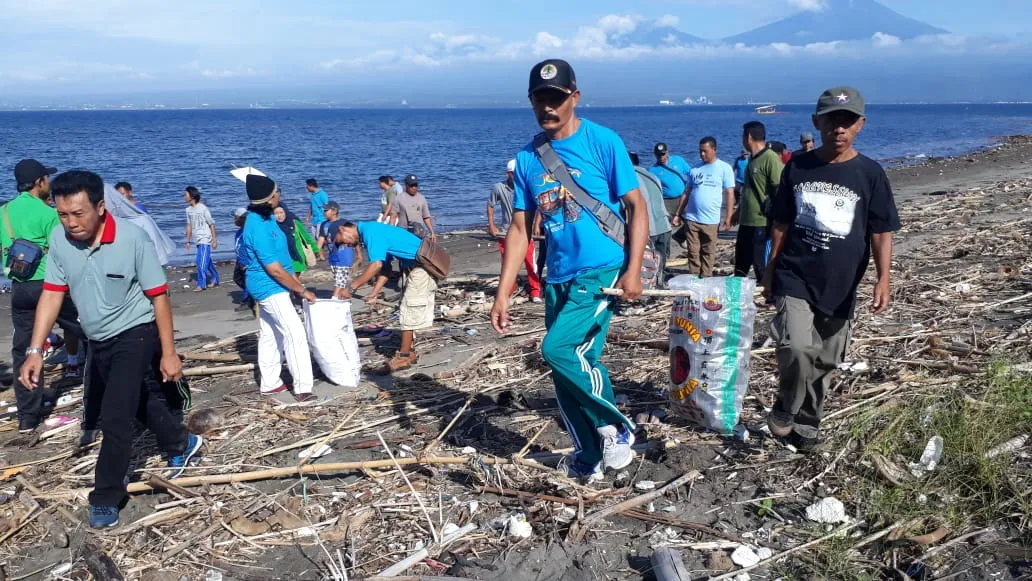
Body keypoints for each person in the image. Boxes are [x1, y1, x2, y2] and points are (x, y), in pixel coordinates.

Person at [491, 59, 646, 481]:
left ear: (574, 97)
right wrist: (503, 292)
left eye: (557, 98)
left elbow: (637, 206)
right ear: (531, 102)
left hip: (600, 269)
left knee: (557, 349)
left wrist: (633, 271)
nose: (549, 107)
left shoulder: (602, 141)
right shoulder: (528, 159)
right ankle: (588, 457)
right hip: (558, 274)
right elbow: (521, 228)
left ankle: (615, 426)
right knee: (570, 367)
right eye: (541, 99)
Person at [19, 170, 202, 528]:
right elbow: (53, 293)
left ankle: (106, 493)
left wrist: (169, 352)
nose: (71, 223)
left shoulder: (132, 239)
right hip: (97, 337)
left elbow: (159, 298)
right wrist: (35, 350)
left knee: (114, 414)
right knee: (135, 402)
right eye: (63, 215)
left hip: (137, 331)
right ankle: (181, 443)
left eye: (78, 214)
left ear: (101, 207)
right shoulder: (59, 239)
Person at [762, 86, 900, 451]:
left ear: (861, 126)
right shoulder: (799, 166)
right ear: (816, 123)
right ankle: (787, 404)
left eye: (847, 122)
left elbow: (881, 231)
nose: (839, 129)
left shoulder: (869, 174)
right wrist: (770, 268)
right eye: (831, 121)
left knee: (825, 359)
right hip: (795, 274)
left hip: (841, 283)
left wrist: (883, 278)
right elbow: (780, 222)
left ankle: (807, 423)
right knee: (795, 345)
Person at [4, 160, 86, 435]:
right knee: (86, 330)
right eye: (46, 179)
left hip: (19, 288)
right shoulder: (47, 213)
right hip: (48, 287)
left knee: (25, 350)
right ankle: (115, 380)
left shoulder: (3, 212)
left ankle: (28, 416)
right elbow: (65, 249)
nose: (49, 184)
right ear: (39, 182)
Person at [241, 174, 318, 403]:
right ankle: (303, 388)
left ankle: (270, 383)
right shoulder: (256, 225)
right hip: (269, 286)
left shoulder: (267, 218)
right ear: (269, 197)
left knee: (270, 333)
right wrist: (300, 289)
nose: (280, 195)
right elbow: (273, 268)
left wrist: (295, 279)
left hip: (277, 283)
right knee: (294, 333)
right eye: (277, 192)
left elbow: (282, 256)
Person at [327, 220, 438, 372]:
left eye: (342, 242)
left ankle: (404, 356)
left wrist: (351, 288)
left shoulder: (370, 231)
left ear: (343, 229)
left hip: (422, 266)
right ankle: (409, 352)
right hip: (411, 267)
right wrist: (374, 292)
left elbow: (376, 265)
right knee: (405, 308)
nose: (346, 246)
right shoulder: (368, 234)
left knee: (409, 309)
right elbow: (385, 268)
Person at [672, 137, 736, 278]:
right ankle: (694, 278)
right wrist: (678, 214)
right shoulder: (695, 169)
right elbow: (686, 192)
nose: (702, 154)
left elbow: (729, 193)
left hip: (711, 220)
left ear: (714, 150)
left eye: (705, 151)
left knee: (708, 251)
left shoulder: (724, 168)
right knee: (693, 251)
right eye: (700, 151)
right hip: (692, 218)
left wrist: (729, 216)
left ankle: (706, 278)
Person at [488, 159, 542, 302]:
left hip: (525, 232)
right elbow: (490, 205)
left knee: (530, 263)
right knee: (507, 263)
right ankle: (508, 290)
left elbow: (540, 205)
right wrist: (491, 225)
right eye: (515, 174)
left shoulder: (527, 187)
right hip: (506, 231)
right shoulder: (499, 187)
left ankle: (535, 291)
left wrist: (536, 225)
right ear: (509, 174)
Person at [735, 121, 784, 280]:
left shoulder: (770, 158)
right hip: (746, 222)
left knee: (760, 264)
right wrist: (737, 213)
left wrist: (777, 221)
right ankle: (737, 298)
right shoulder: (751, 160)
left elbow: (779, 192)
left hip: (761, 222)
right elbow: (748, 190)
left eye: (743, 136)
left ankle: (768, 298)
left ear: (748, 137)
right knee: (740, 264)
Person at [630, 152, 671, 288]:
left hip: (649, 228)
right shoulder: (652, 176)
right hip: (664, 225)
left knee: (647, 266)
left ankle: (649, 290)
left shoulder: (630, 178)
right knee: (661, 262)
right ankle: (660, 285)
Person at [648, 142, 691, 247]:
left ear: (667, 152)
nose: (661, 157)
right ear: (655, 155)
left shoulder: (678, 161)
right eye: (658, 155)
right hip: (667, 201)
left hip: (683, 197)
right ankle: (664, 248)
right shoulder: (653, 170)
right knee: (665, 226)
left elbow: (691, 173)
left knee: (692, 220)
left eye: (663, 154)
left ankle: (680, 236)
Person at [317, 202, 356, 299]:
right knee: (337, 277)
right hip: (332, 254)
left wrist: (359, 254)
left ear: (334, 211)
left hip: (344, 253)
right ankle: (344, 297)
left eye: (326, 210)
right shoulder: (324, 224)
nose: (324, 212)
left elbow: (354, 237)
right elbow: (321, 238)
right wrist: (317, 251)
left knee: (341, 277)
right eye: (324, 210)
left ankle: (335, 297)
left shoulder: (344, 223)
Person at [183, 186, 219, 292]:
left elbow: (211, 223)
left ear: (192, 196)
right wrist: (188, 241)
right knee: (207, 262)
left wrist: (214, 240)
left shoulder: (203, 208)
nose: (184, 197)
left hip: (205, 238)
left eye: (185, 195)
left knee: (200, 262)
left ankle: (201, 284)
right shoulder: (188, 210)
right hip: (197, 239)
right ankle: (215, 278)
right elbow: (189, 225)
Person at [273, 205, 318, 282]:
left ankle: (295, 292)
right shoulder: (272, 226)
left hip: (296, 257)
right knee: (286, 280)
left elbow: (306, 236)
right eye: (276, 213)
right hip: (281, 257)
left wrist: (316, 250)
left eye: (281, 212)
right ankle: (295, 291)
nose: (279, 215)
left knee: (294, 279)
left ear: (286, 212)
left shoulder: (295, 223)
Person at [394, 175, 437, 239]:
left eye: (415, 185)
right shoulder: (399, 198)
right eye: (411, 185)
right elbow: (393, 216)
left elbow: (426, 217)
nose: (414, 188)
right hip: (403, 230)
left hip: (418, 232)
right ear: (406, 185)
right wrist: (391, 232)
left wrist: (432, 232)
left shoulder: (421, 198)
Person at [231, 207, 254, 312]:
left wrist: (249, 263)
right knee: (237, 278)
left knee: (247, 281)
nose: (234, 220)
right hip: (240, 260)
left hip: (247, 261)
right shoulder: (239, 231)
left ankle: (248, 300)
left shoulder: (248, 231)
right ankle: (251, 295)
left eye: (236, 218)